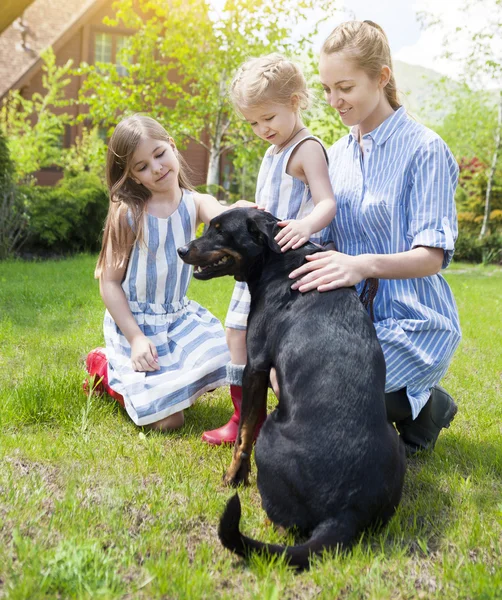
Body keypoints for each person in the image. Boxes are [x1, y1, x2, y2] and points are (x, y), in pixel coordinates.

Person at [289, 20, 461, 454]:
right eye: (326, 89)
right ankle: (423, 407)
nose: (333, 101)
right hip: (351, 320)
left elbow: (431, 256)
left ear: (382, 77)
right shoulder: (337, 154)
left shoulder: (425, 150)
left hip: (413, 322)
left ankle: (420, 403)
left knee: (331, 395)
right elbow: (319, 230)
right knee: (296, 380)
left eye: (343, 87)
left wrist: (359, 265)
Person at [201, 54, 337, 445]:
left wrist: (306, 223)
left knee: (266, 342)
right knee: (236, 332)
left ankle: (282, 417)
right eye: (253, 122)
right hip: (259, 264)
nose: (262, 129)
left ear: (295, 101)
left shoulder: (306, 149)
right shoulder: (273, 149)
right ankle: (244, 414)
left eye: (269, 118)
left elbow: (327, 202)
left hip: (288, 268)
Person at [85, 114, 237, 431]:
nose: (156, 168)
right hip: (135, 324)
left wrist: (245, 211)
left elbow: (227, 220)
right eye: (141, 167)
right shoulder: (129, 213)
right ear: (133, 177)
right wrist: (136, 338)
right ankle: (105, 367)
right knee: (169, 421)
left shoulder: (196, 203)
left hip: (177, 319)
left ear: (171, 146)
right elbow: (109, 284)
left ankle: (169, 379)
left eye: (159, 154)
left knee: (225, 360)